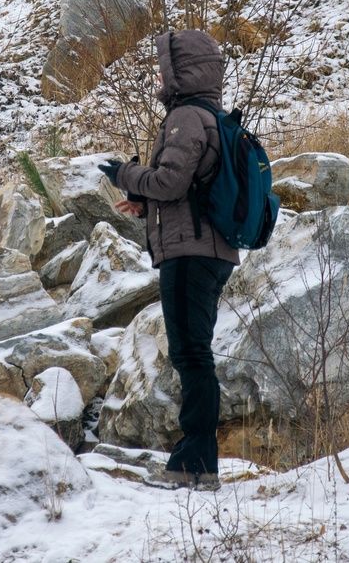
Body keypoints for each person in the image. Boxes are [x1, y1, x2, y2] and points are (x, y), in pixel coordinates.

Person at [98, 30, 239, 490]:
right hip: (210, 250)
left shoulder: (185, 117)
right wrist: (144, 200)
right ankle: (196, 462)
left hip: (189, 253)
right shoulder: (209, 116)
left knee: (191, 354)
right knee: (193, 352)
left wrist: (126, 174)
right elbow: (189, 187)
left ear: (183, 71)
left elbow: (171, 182)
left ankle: (193, 464)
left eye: (166, 67)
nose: (161, 75)